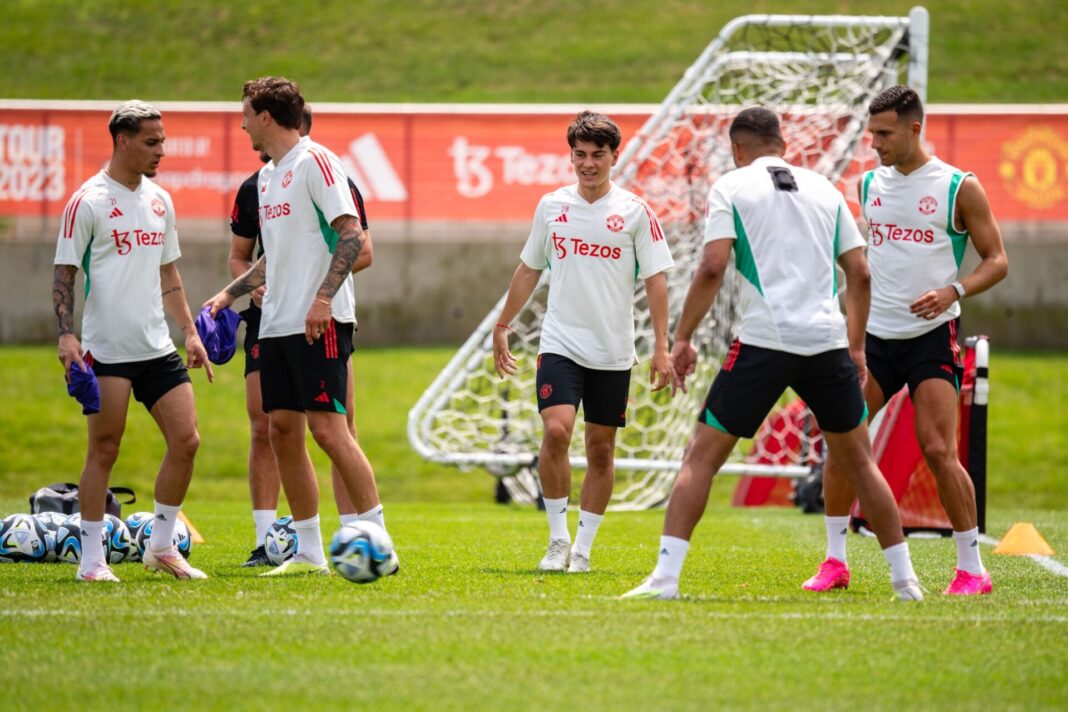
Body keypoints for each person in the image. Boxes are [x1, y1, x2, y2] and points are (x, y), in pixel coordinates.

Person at [622, 107, 924, 601]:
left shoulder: (732, 186)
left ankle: (665, 579)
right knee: (861, 464)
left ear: (737, 150)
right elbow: (861, 274)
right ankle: (905, 581)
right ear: (783, 145)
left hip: (763, 342)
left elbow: (712, 266)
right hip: (827, 344)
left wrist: (681, 338)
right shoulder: (826, 189)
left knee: (699, 459)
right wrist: (857, 346)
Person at [802, 85, 1008, 597]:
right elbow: (865, 267)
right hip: (875, 339)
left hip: (931, 337)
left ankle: (971, 569)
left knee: (939, 449)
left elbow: (998, 260)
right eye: (872, 133)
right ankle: (834, 561)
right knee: (842, 442)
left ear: (916, 129)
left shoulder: (959, 186)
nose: (876, 143)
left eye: (885, 133)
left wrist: (952, 291)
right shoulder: (869, 184)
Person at [205, 76, 395, 576]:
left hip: (318, 322)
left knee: (331, 432)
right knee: (282, 430)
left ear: (266, 116)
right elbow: (275, 259)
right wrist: (229, 295)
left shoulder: (317, 162)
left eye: (245, 113)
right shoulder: (267, 178)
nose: (241, 122)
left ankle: (380, 542)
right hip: (274, 324)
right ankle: (309, 553)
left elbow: (351, 236)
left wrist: (324, 299)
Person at [493, 111, 675, 573]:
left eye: (598, 155)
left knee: (600, 450)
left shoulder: (635, 211)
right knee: (556, 432)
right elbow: (530, 267)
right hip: (560, 342)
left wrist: (662, 346)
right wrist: (502, 324)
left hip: (613, 350)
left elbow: (656, 280)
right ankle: (557, 540)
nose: (588, 164)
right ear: (571, 156)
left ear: (615, 156)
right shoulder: (552, 206)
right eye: (580, 155)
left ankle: (585, 548)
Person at [53, 100, 213, 583]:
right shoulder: (87, 201)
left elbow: (169, 272)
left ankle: (161, 547)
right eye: (151, 142)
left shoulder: (160, 200)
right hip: (108, 352)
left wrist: (189, 330)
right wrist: (66, 334)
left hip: (157, 348)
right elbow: (64, 274)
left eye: (162, 141)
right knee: (104, 450)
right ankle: (91, 561)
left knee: (187, 441)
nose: (161, 150)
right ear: (122, 141)